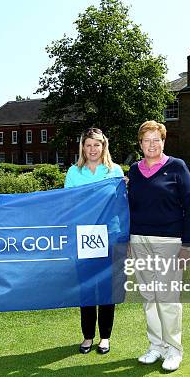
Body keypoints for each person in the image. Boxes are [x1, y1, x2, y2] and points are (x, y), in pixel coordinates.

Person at [127, 120, 190, 371]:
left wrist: (187, 244)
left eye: (156, 139)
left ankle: (174, 349)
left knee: (167, 296)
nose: (152, 144)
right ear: (140, 144)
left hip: (169, 241)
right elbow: (129, 208)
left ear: (163, 141)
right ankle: (156, 346)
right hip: (139, 240)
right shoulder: (134, 170)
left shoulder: (177, 167)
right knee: (148, 296)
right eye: (147, 140)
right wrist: (128, 239)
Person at [64, 127, 124, 355]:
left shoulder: (115, 171)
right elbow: (68, 204)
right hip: (84, 237)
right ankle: (88, 336)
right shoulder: (73, 172)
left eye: (96, 145)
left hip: (110, 236)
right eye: (88, 145)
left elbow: (120, 205)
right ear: (82, 147)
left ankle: (105, 337)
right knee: (87, 288)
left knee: (107, 289)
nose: (92, 149)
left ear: (103, 146)